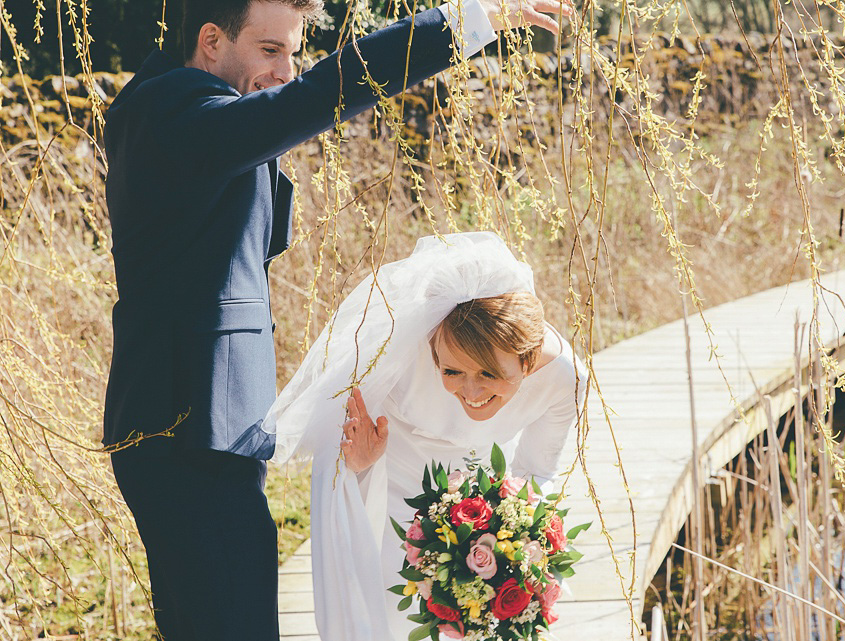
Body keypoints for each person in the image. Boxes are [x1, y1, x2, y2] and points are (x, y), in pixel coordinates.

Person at [102, 1, 574, 639]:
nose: (287, 72)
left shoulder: (175, 102)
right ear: (210, 41)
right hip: (189, 428)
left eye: (295, 52)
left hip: (200, 426)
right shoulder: (177, 114)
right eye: (271, 51)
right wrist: (466, 20)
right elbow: (323, 93)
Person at [263, 232, 586, 640]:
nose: (471, 392)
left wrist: (513, 543)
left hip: (482, 491)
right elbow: (340, 437)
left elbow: (535, 472)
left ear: (528, 357)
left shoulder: (564, 378)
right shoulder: (400, 349)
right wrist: (358, 463)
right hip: (392, 482)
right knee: (392, 608)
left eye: (490, 374)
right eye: (451, 372)